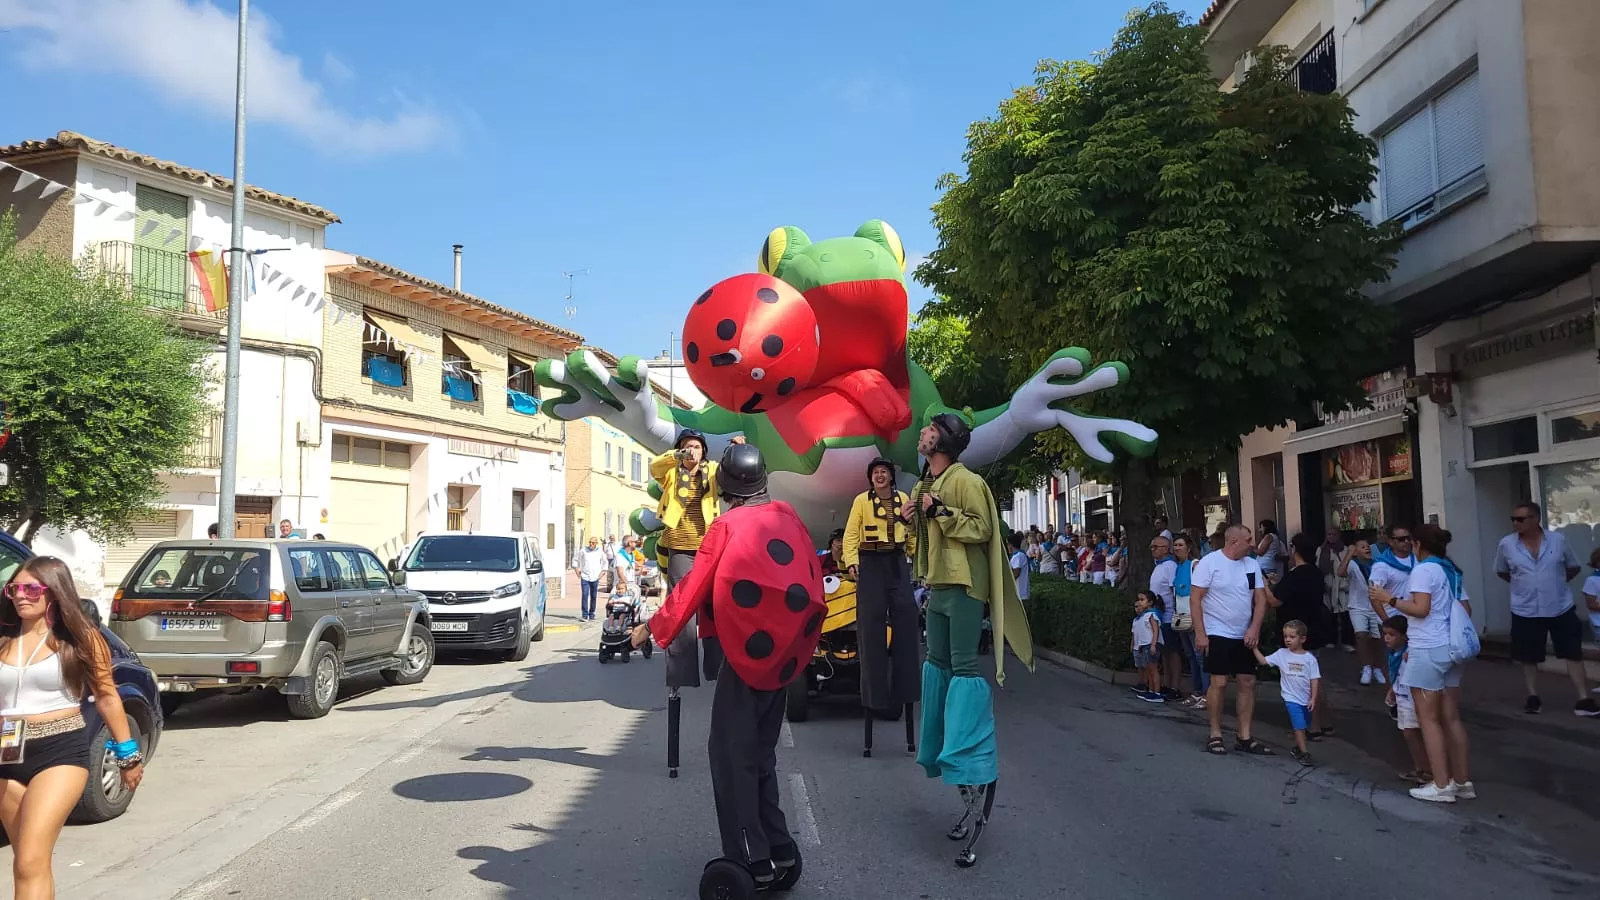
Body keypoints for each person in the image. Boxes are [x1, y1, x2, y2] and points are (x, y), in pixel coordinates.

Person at [630, 443, 823, 892]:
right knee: (759, 755)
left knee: (729, 756)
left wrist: (650, 629)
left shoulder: (726, 525)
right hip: (783, 658)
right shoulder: (787, 516)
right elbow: (810, 573)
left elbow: (691, 588)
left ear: (726, 487)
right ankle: (777, 845)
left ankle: (751, 858)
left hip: (745, 656)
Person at [905, 412, 1032, 868]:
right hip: (937, 587)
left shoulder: (965, 481)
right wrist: (913, 517)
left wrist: (940, 512)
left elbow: (984, 530)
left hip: (962, 588)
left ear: (942, 439)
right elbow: (925, 535)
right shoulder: (926, 482)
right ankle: (952, 764)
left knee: (962, 671)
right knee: (937, 670)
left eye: (928, 429)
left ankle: (974, 773)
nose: (920, 434)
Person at [1, 557, 145, 897]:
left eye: (31, 589)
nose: (21, 595)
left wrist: (127, 754)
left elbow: (108, 697)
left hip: (60, 750)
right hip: (7, 752)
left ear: (54, 593)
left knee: (28, 862)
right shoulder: (4, 638)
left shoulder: (81, 639)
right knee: (29, 858)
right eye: (14, 589)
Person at [1371, 524, 1474, 803]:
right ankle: (1462, 781)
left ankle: (1441, 783)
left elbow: (1420, 608)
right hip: (1453, 648)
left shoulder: (1423, 570)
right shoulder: (1450, 570)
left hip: (1428, 647)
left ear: (1417, 544)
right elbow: (1466, 609)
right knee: (1450, 717)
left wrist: (1389, 599)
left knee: (1427, 719)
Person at [650, 429, 744, 689]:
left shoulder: (712, 471)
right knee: (681, 607)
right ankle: (681, 674)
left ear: (704, 451)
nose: (692, 451)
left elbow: (731, 470)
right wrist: (677, 455)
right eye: (687, 446)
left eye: (697, 447)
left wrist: (736, 449)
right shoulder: (671, 472)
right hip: (679, 547)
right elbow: (655, 466)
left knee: (716, 606)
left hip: (709, 545)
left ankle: (718, 668)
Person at [1492, 503, 1596, 716]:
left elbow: (1573, 566)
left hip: (1560, 606)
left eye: (1520, 519)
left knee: (1573, 652)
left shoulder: (1557, 540)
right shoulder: (1507, 544)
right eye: (1513, 519)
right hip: (1525, 608)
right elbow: (1501, 571)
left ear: (1535, 519)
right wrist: (1523, 585)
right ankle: (1533, 696)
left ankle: (1583, 699)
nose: (1515, 523)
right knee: (1528, 656)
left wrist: (1555, 584)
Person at [842, 457, 921, 724]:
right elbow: (851, 534)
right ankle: (873, 696)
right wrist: (852, 561)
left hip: (896, 561)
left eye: (884, 472)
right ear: (870, 477)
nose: (879, 476)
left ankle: (906, 689)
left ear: (890, 476)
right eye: (875, 472)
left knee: (908, 619)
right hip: (871, 561)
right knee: (871, 626)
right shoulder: (861, 501)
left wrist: (915, 556)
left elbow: (912, 533)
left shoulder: (903, 498)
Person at [1192, 524, 1272, 755]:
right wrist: (1200, 633)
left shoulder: (1251, 565)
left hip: (1243, 632)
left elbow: (1260, 599)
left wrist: (1254, 628)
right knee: (1219, 682)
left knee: (1247, 681)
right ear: (1234, 541)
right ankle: (1215, 733)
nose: (1252, 544)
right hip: (1217, 630)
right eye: (1248, 539)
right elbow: (1196, 599)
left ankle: (1244, 736)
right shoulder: (1210, 563)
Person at [1267, 533, 1333, 738]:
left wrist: (1265, 586)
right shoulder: (1315, 573)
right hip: (1314, 627)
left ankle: (1311, 726)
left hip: (1297, 631)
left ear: (1296, 550)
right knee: (1314, 677)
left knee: (1302, 681)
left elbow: (1276, 601)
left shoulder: (1296, 575)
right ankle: (1324, 722)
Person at [1253, 619, 1321, 766]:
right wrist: (1254, 649)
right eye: (1285, 637)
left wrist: (1313, 698)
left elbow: (1314, 679)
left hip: (1305, 698)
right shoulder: (1281, 654)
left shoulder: (1310, 659)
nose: (1288, 640)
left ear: (1302, 639)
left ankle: (1298, 747)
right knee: (1299, 725)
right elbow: (1264, 662)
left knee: (1305, 724)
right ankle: (1304, 753)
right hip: (1290, 697)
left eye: (1292, 637)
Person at [1382, 615, 1433, 785]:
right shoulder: (1393, 653)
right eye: (1385, 634)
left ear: (1405, 636)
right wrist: (1393, 690)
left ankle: (1427, 770)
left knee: (1413, 733)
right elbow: (1398, 676)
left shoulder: (1408, 654)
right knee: (1409, 734)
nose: (1387, 638)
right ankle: (1420, 768)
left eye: (1392, 634)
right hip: (1402, 696)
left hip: (1412, 699)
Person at [1341, 537, 1386, 685]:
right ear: (1356, 552)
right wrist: (1348, 554)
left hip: (1375, 606)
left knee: (1378, 638)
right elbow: (1340, 572)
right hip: (1357, 606)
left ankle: (1377, 668)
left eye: (1367, 546)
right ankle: (1366, 667)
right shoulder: (1353, 564)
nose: (1367, 548)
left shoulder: (1377, 565)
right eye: (1362, 547)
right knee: (1361, 635)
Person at [1170, 535, 1207, 708]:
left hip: (1194, 617)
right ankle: (1196, 692)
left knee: (1200, 657)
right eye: (1175, 545)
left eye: (1180, 545)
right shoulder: (1179, 567)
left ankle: (1206, 694)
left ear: (1189, 547)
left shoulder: (1195, 565)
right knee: (1191, 656)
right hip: (1181, 617)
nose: (1177, 548)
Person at [1148, 534, 1182, 700]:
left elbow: (1173, 590)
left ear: (1165, 549)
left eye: (1156, 547)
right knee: (1166, 652)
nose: (1153, 550)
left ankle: (1174, 686)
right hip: (1159, 615)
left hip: (1168, 615)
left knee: (1172, 652)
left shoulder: (1169, 566)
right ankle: (1168, 684)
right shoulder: (1158, 566)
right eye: (1152, 547)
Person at [1131, 593, 1164, 703]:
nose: (1140, 602)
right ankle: (1150, 690)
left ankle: (1157, 692)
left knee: (1153, 669)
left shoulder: (1152, 615)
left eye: (1142, 599)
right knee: (1149, 669)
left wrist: (1153, 645)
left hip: (1151, 644)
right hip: (1144, 645)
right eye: (1139, 599)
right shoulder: (1142, 616)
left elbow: (1155, 631)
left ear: (1150, 602)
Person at [1007, 534, 1030, 603]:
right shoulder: (1018, 555)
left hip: (1020, 592)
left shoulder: (1018, 556)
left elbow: (1016, 573)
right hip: (1019, 592)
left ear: (1010, 545)